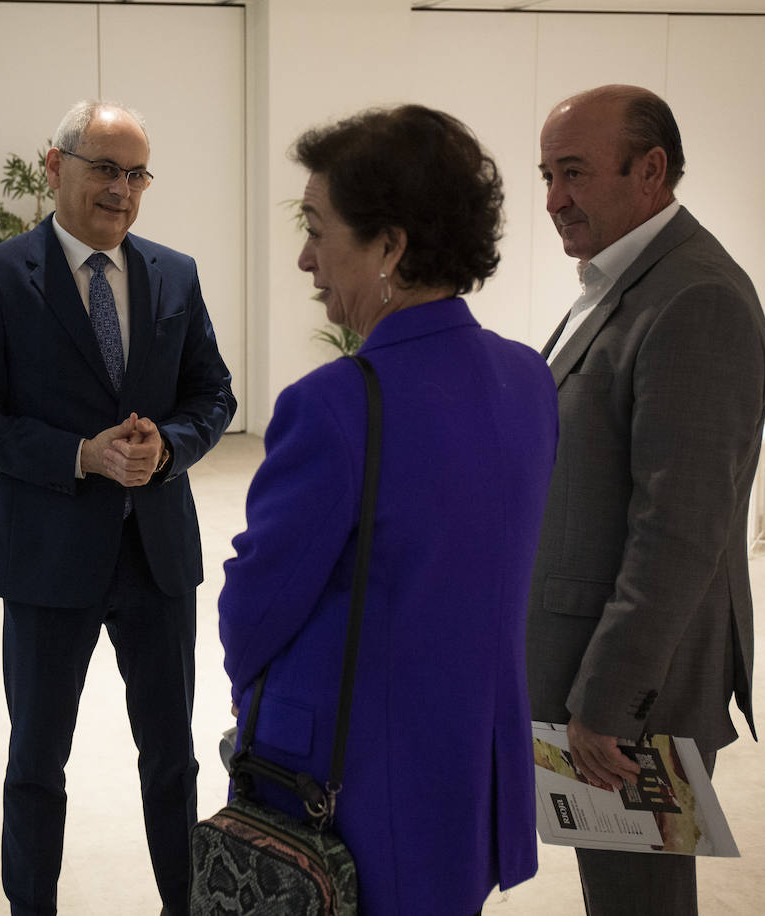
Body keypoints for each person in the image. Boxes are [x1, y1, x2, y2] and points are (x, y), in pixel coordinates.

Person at [217, 105, 557, 916]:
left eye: (316, 228)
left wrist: (246, 690)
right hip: (473, 769)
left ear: (390, 246)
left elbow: (257, 606)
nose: (305, 259)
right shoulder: (528, 378)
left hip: (358, 778)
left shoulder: (335, 405)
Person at [0, 100, 235, 915]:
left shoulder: (175, 273)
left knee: (172, 760)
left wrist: (167, 448)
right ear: (54, 166)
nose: (122, 189)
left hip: (157, 558)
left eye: (136, 173)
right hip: (46, 560)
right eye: (105, 167)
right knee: (36, 762)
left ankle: (186, 904)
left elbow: (213, 394)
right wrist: (79, 455)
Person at [529, 85, 765, 914]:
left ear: (651, 170)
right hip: (597, 670)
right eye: (546, 175)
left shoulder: (695, 299)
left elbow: (678, 532)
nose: (555, 199)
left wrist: (608, 705)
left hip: (636, 693)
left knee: (639, 903)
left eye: (573, 173)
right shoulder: (618, 278)